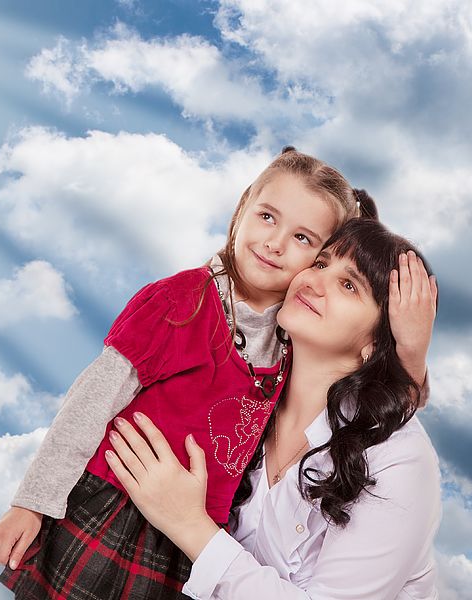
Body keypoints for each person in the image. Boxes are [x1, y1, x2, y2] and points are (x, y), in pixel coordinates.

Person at [105, 218, 440, 599]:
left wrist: (189, 525)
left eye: (349, 285)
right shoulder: (247, 400)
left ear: (377, 343)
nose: (314, 281)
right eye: (320, 263)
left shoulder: (398, 459)